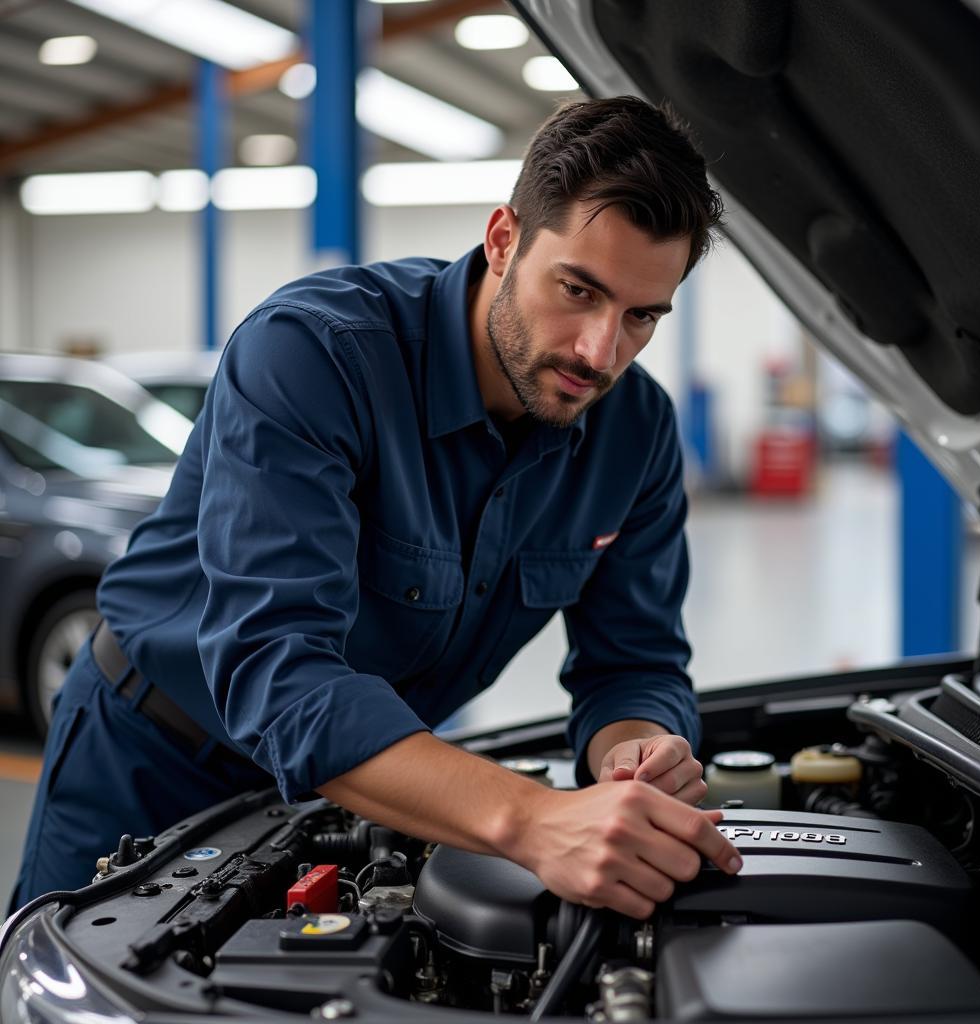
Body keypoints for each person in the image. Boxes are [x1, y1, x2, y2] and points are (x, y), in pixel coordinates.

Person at [11, 96, 742, 918]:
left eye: (641, 316)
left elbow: (634, 660)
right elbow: (279, 669)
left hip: (373, 785)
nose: (599, 350)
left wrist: (635, 747)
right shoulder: (314, 355)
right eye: (578, 290)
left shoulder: (635, 429)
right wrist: (533, 819)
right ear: (504, 240)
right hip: (152, 762)